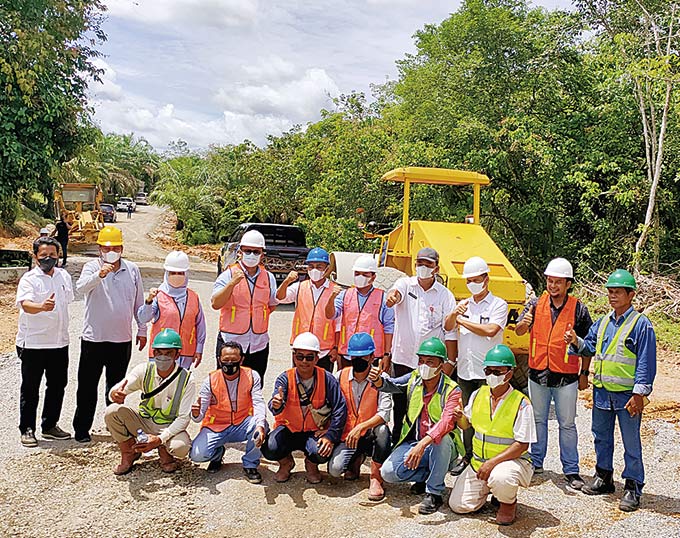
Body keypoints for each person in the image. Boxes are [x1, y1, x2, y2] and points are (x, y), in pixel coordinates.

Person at [567, 269, 656, 512]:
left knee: (631, 442)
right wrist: (575, 341)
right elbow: (589, 346)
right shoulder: (603, 322)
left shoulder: (641, 325)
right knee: (601, 436)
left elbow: (646, 362)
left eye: (617, 292)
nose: (612, 296)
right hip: (603, 392)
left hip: (627, 395)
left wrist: (639, 394)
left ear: (631, 295)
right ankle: (603, 477)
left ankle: (633, 487)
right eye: (610, 292)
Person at [514, 257, 593, 488]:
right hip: (538, 374)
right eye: (550, 281)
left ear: (568, 284)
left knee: (567, 424)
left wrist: (584, 372)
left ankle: (571, 470)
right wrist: (525, 322)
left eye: (558, 282)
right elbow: (519, 330)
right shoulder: (535, 304)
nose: (553, 285)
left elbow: (589, 344)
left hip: (566, 376)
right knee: (538, 420)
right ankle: (536, 462)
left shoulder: (579, 309)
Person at [72, 226, 147, 443]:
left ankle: (115, 427)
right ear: (99, 249)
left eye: (115, 248)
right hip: (94, 339)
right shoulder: (91, 267)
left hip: (121, 339)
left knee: (116, 388)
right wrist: (99, 275)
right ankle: (82, 428)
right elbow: (81, 288)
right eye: (106, 248)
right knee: (87, 386)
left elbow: (139, 302)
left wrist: (142, 329)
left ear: (122, 248)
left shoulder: (132, 270)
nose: (111, 251)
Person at [371, 338, 462, 515]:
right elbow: (393, 385)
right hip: (414, 442)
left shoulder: (452, 389)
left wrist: (422, 445)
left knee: (441, 439)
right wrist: (378, 381)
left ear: (441, 364)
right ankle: (428, 476)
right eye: (421, 360)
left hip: (441, 447)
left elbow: (446, 422)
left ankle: (434, 492)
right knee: (388, 473)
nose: (424, 365)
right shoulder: (414, 378)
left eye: (430, 362)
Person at [449, 345, 536, 526]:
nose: (491, 375)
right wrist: (460, 417)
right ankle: (491, 489)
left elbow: (522, 444)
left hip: (511, 463)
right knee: (458, 505)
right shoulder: (478, 394)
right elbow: (466, 425)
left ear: (509, 374)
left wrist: (492, 463)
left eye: (497, 372)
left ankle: (507, 503)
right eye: (488, 371)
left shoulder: (521, 403)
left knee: (501, 477)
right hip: (479, 464)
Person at [385, 247, 457, 444]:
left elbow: (450, 331)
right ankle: (397, 443)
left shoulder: (445, 296)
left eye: (428, 264)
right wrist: (392, 297)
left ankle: (423, 444)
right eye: (420, 263)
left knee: (425, 406)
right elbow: (394, 294)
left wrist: (450, 362)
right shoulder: (405, 284)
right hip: (403, 359)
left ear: (436, 268)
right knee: (400, 406)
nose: (423, 267)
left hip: (429, 364)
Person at [444, 256, 508, 476]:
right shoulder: (463, 305)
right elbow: (448, 326)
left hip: (488, 372)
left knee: (488, 415)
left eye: (476, 279)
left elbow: (491, 330)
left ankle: (488, 458)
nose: (472, 284)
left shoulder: (498, 304)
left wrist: (461, 320)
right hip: (465, 370)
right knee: (466, 417)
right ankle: (468, 456)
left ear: (486, 279)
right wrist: (454, 314)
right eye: (469, 280)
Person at [104, 329, 195, 475]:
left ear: (177, 355)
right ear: (154, 353)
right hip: (144, 421)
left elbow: (184, 418)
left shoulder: (187, 380)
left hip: (168, 425)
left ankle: (164, 450)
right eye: (159, 352)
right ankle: (129, 452)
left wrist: (159, 439)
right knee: (112, 411)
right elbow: (120, 388)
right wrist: (114, 395)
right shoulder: (144, 370)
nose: (163, 357)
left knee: (181, 448)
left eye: (168, 353)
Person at [261, 332, 347, 484]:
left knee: (322, 451)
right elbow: (275, 404)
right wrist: (276, 404)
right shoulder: (285, 378)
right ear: (294, 357)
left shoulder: (327, 378)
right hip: (288, 428)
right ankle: (286, 463)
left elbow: (340, 408)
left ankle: (311, 464)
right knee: (270, 448)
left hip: (314, 431)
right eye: (300, 356)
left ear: (317, 358)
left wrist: (330, 435)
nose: (304, 361)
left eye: (309, 357)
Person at [16, 237, 74, 446]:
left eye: (52, 255)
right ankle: (27, 429)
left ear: (58, 256)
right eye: (44, 255)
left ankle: (49, 425)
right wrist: (41, 307)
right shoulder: (29, 279)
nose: (48, 259)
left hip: (59, 342)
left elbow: (67, 302)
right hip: (34, 343)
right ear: (35, 257)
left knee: (57, 386)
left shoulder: (64, 276)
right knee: (30, 388)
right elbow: (25, 304)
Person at [190, 341, 267, 483]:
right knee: (197, 455)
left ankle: (250, 464)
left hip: (242, 423)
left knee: (260, 425)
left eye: (234, 360)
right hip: (216, 427)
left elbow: (258, 402)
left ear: (241, 360)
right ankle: (217, 454)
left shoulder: (252, 376)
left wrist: (260, 425)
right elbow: (199, 416)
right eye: (226, 360)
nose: (229, 363)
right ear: (219, 359)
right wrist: (195, 413)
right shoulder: (210, 380)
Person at [327, 332, 392, 501]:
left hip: (370, 434)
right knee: (335, 470)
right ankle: (355, 459)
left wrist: (361, 427)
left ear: (372, 357)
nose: (358, 360)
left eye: (363, 357)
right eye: (355, 357)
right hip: (348, 436)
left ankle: (376, 477)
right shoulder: (339, 376)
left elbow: (384, 413)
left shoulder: (382, 379)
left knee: (383, 431)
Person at [211, 229, 278, 382]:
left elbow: (271, 305)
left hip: (259, 344)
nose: (252, 255)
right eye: (248, 251)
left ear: (262, 254)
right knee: (225, 385)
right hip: (231, 343)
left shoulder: (268, 277)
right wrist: (232, 283)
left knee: (254, 385)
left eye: (256, 251)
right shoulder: (228, 275)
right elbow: (215, 303)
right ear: (240, 252)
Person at [138, 250, 206, 369]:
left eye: (180, 273)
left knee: (181, 381)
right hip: (161, 353)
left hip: (185, 353)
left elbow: (200, 325)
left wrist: (199, 348)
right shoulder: (158, 296)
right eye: (172, 273)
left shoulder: (193, 297)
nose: (176, 276)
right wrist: (148, 301)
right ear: (166, 274)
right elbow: (143, 318)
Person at [325, 254, 394, 371]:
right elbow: (330, 315)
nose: (360, 277)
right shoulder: (345, 295)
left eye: (365, 274)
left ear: (373, 277)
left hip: (371, 356)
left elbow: (389, 328)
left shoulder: (382, 298)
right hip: (347, 354)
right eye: (357, 274)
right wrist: (331, 298)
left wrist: (387, 354)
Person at [277, 247, 337, 372]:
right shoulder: (299, 287)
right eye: (311, 266)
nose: (314, 270)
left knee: (322, 382)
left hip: (324, 349)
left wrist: (335, 347)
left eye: (319, 266)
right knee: (298, 381)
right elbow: (280, 298)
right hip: (301, 345)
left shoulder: (335, 290)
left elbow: (339, 323)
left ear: (327, 268)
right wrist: (287, 281)